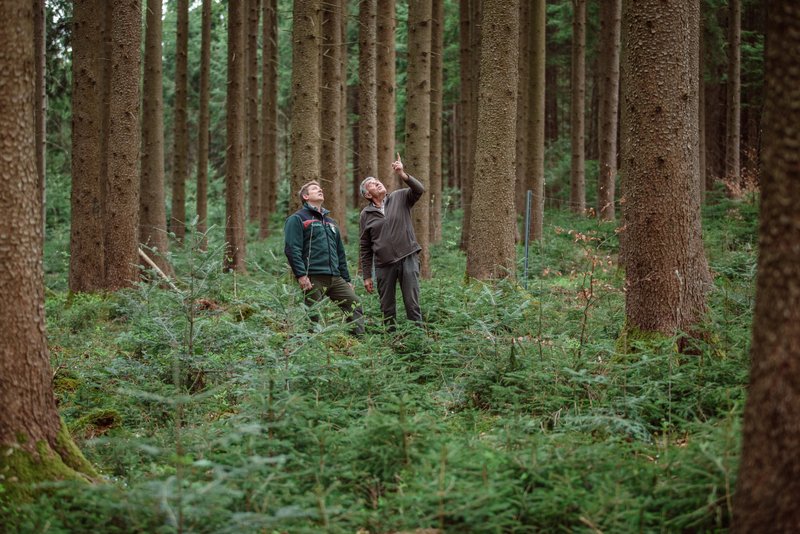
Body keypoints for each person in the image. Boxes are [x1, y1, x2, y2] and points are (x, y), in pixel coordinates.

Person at [284, 181, 364, 336]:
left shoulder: (331, 222)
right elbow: (292, 249)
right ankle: (309, 347)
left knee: (354, 303)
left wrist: (346, 279)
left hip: (335, 277)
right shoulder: (297, 219)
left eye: (320, 189)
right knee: (312, 315)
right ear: (306, 196)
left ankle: (359, 343)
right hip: (313, 276)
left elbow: (340, 252)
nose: (320, 190)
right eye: (315, 189)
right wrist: (301, 274)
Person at [359, 154, 425, 327]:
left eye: (377, 180)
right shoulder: (365, 215)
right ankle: (391, 341)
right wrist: (366, 275)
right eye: (372, 184)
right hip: (383, 265)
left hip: (408, 257)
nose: (377, 183)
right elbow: (365, 247)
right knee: (387, 308)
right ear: (367, 194)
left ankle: (417, 339)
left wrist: (403, 174)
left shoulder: (400, 197)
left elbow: (419, 190)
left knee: (412, 303)